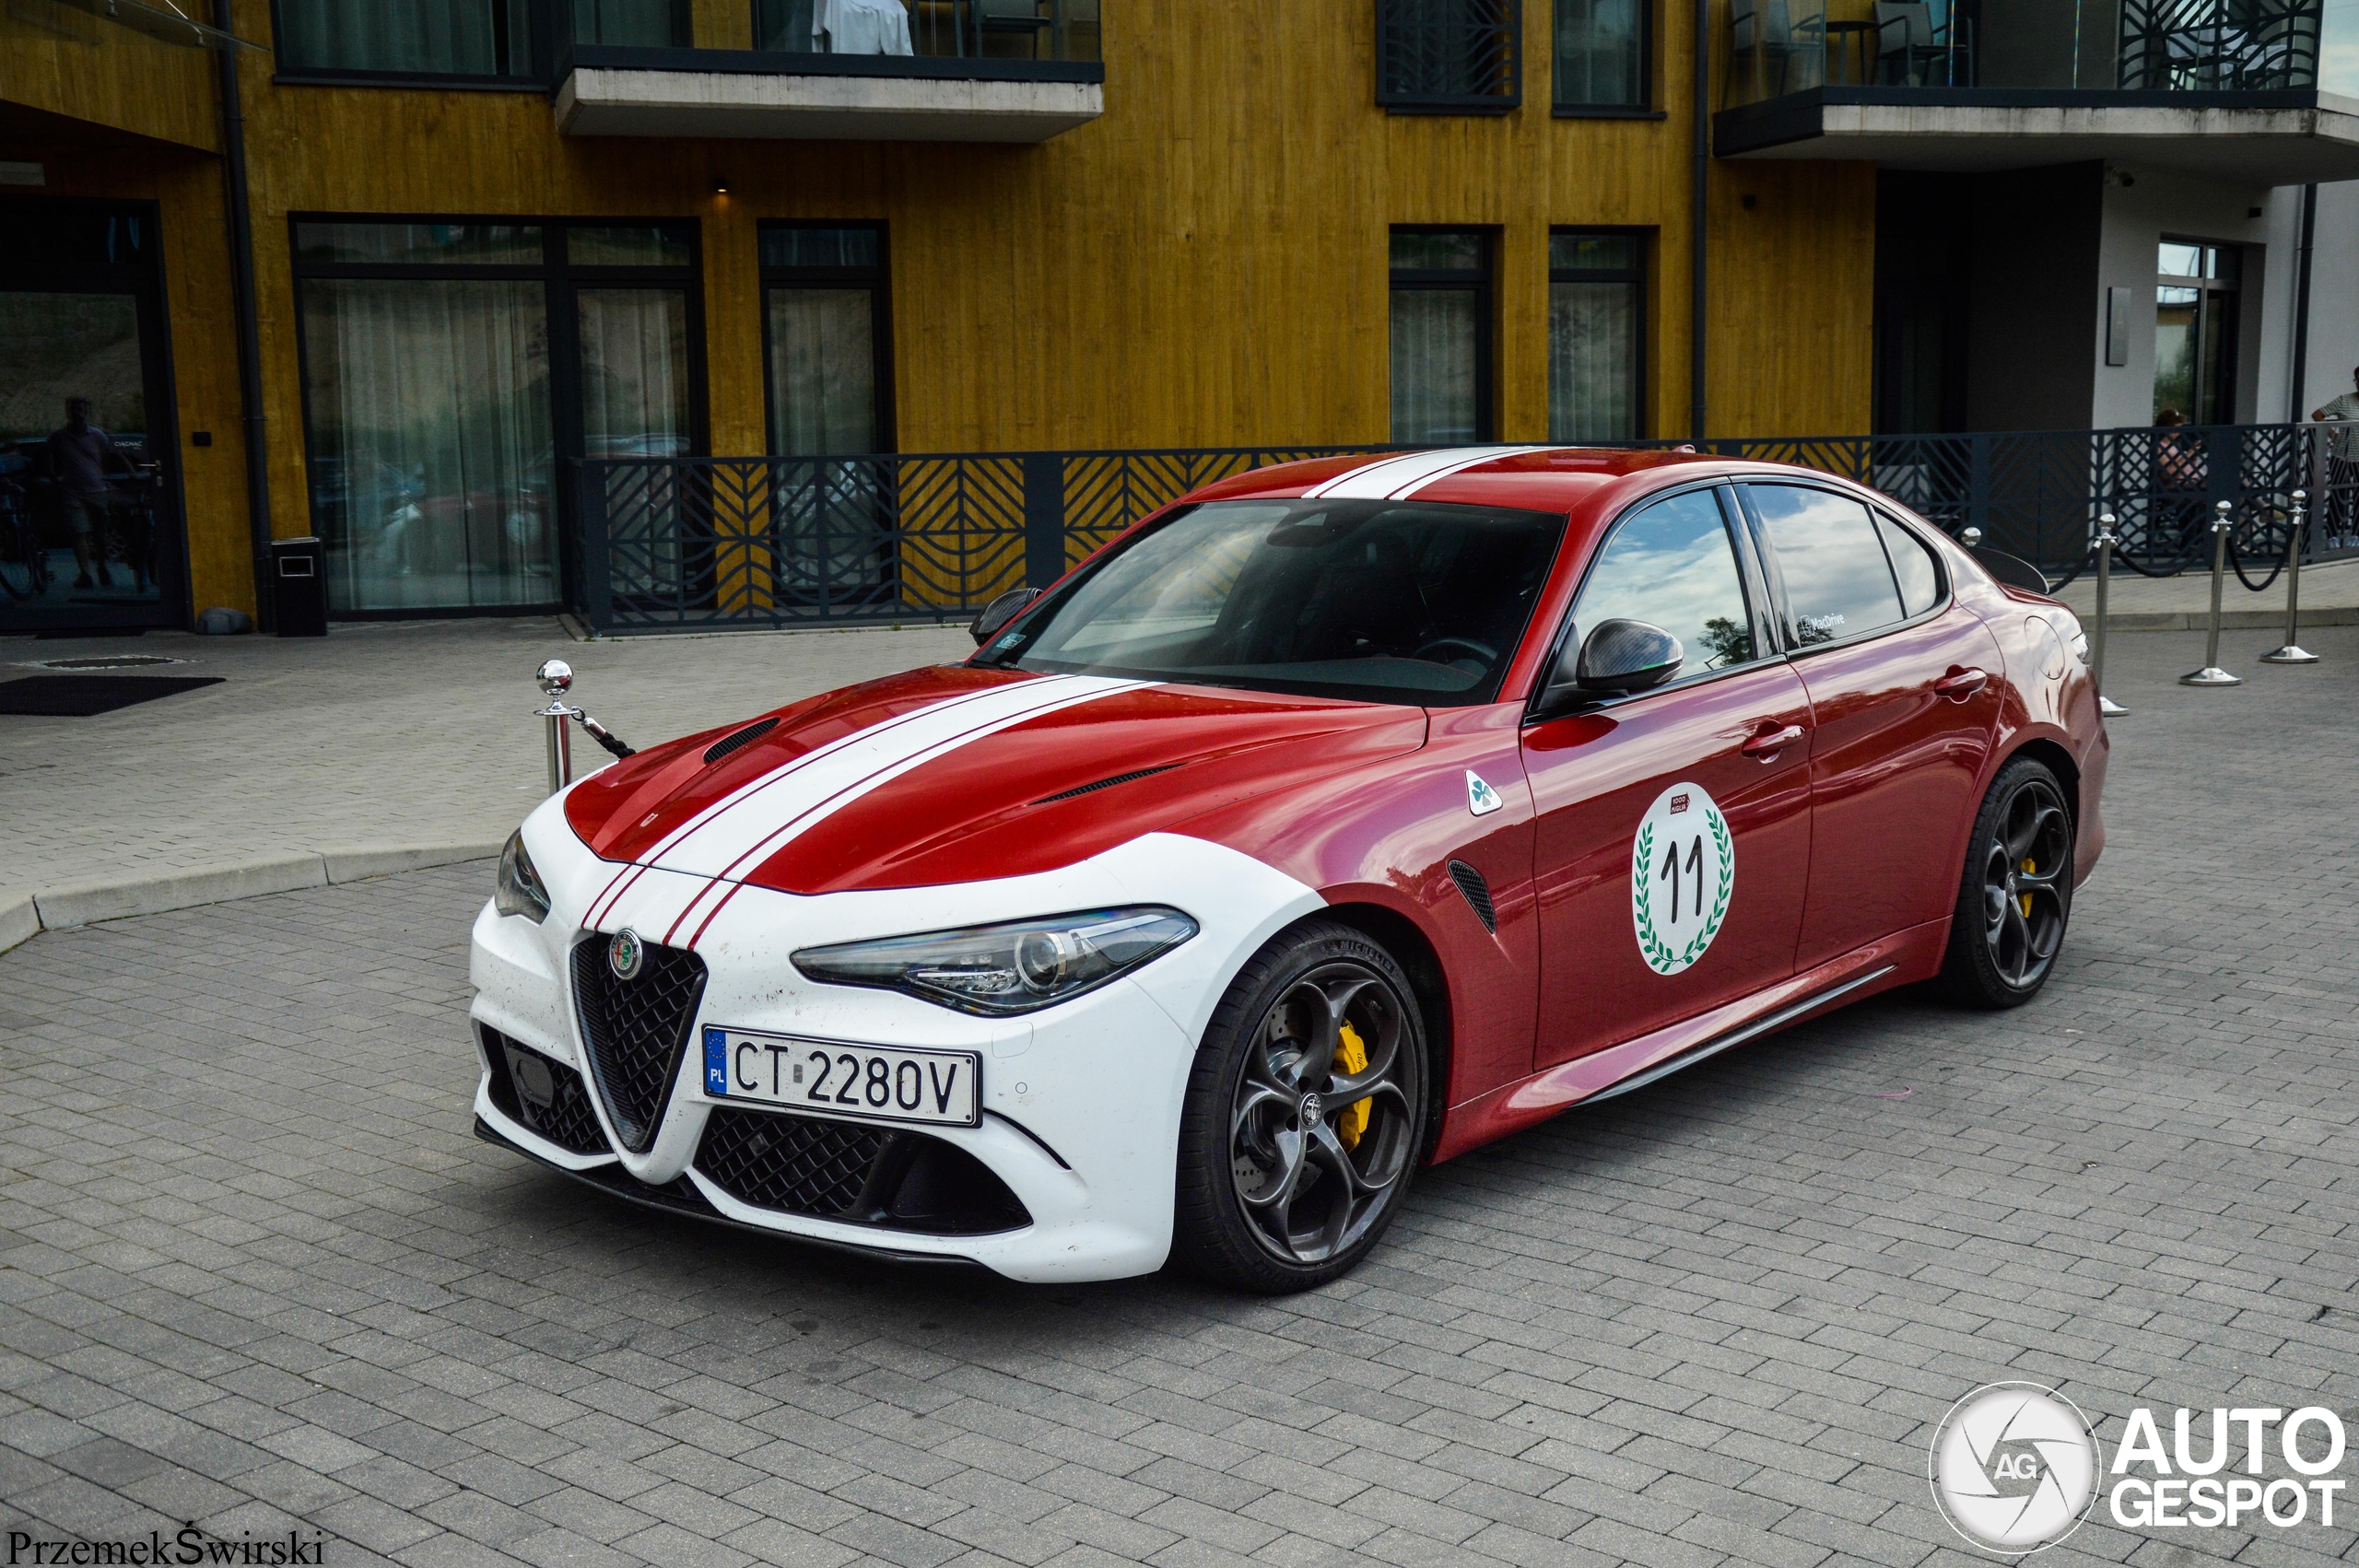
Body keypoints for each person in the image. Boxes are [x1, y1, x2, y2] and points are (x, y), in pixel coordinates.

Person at [43, 397, 130, 590]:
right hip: (72, 493)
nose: (77, 413)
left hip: (96, 491)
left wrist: (131, 472)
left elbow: (116, 452)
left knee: (100, 534)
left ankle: (101, 566)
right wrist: (53, 477)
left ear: (87, 412)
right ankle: (85, 573)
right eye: (73, 409)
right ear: (68, 411)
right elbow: (48, 454)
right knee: (79, 532)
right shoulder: (59, 436)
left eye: (81, 410)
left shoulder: (97, 435)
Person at [2311, 367, 2359, 544]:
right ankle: (2333, 536)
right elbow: (2318, 414)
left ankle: (2356, 535)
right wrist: (2333, 434)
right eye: (2358, 380)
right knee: (2339, 495)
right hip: (2342, 457)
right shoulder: (2344, 400)